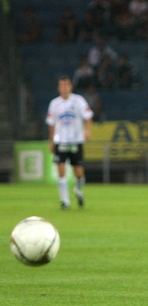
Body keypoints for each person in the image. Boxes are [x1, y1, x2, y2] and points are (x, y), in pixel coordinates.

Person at [46, 76, 93, 210]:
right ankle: (65, 202)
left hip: (76, 140)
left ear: (71, 87)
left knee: (79, 173)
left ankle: (78, 191)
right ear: (58, 88)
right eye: (62, 85)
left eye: (66, 85)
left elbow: (88, 117)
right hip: (60, 140)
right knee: (61, 169)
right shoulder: (54, 103)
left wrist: (88, 130)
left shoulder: (79, 101)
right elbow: (51, 124)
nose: (64, 88)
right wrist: (51, 141)